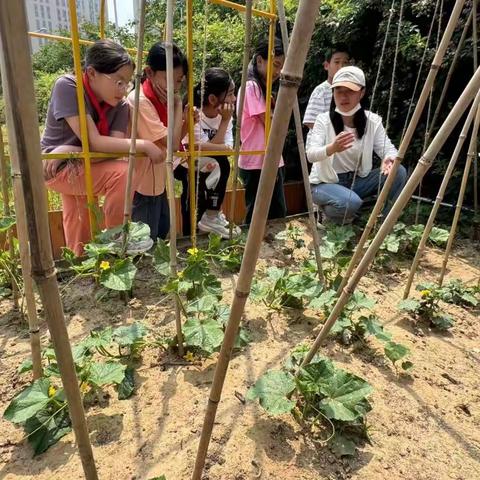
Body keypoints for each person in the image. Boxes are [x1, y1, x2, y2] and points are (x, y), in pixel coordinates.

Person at [41, 39, 164, 255]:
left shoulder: (120, 105)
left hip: (83, 164)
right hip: (55, 168)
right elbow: (96, 143)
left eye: (127, 83)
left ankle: (82, 271)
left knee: (80, 221)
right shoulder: (69, 86)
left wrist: (70, 152)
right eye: (118, 82)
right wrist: (143, 144)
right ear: (91, 73)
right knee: (123, 173)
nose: (124, 90)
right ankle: (117, 234)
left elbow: (109, 153)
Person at [306, 66, 407, 224]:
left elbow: (388, 148)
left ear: (362, 92)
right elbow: (311, 154)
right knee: (350, 202)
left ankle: (385, 223)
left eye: (350, 91)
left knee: (398, 171)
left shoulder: (372, 121)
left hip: (356, 181)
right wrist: (331, 148)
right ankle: (328, 214)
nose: (343, 96)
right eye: (338, 91)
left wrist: (389, 158)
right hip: (324, 184)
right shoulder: (323, 120)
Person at [127, 42, 187, 241]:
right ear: (149, 73)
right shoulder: (140, 101)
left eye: (178, 81)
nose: (174, 88)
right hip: (142, 187)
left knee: (161, 232)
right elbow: (172, 143)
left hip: (158, 185)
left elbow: (175, 142)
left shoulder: (161, 100)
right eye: (168, 80)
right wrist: (178, 104)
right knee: (145, 243)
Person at [238, 38, 286, 225]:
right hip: (257, 161)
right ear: (259, 60)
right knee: (258, 215)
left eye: (281, 67)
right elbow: (268, 121)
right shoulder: (252, 86)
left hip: (269, 158)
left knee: (277, 211)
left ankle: (270, 250)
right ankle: (253, 252)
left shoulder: (264, 89)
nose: (278, 71)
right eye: (275, 65)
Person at [191, 67, 241, 238]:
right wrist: (218, 149)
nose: (234, 99)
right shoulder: (195, 113)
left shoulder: (225, 116)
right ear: (212, 98)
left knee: (220, 163)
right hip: (187, 164)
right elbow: (198, 147)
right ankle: (210, 216)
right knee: (222, 164)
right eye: (230, 94)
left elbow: (223, 148)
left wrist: (226, 120)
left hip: (210, 164)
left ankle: (213, 215)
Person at [303, 44, 351, 130]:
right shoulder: (321, 91)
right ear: (326, 65)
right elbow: (311, 122)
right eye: (337, 62)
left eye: (345, 62)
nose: (341, 67)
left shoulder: (352, 91)